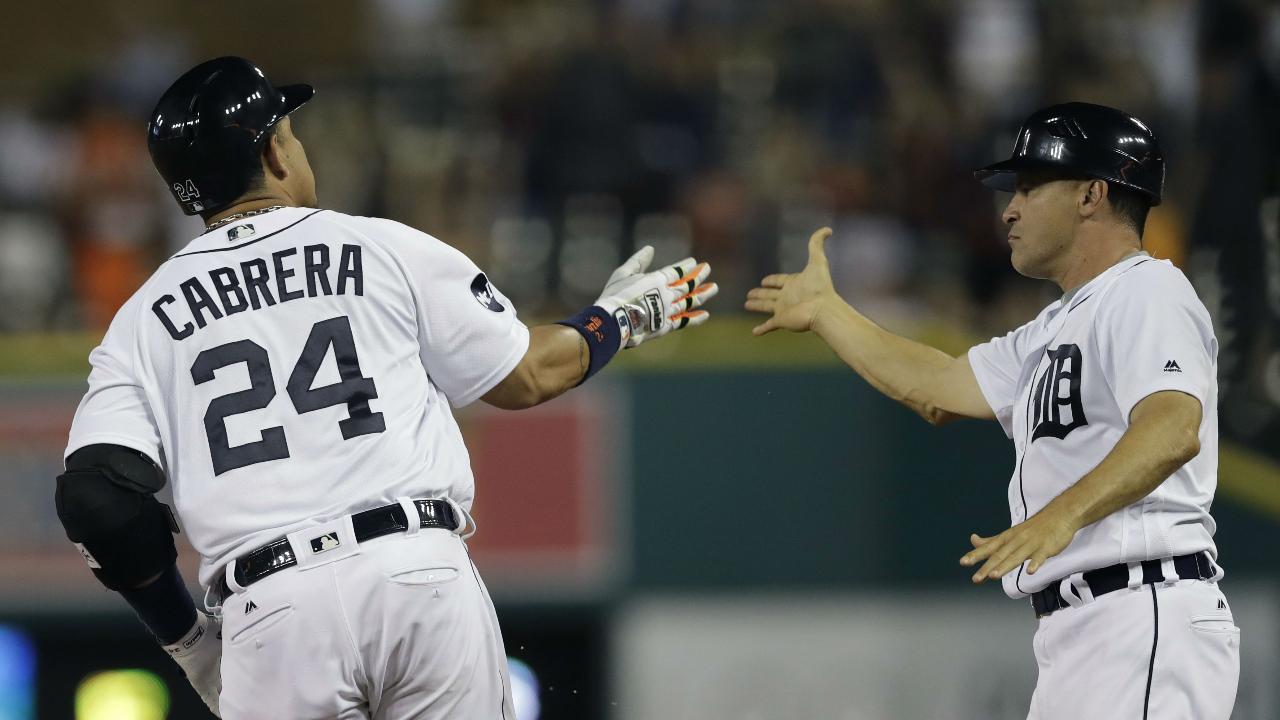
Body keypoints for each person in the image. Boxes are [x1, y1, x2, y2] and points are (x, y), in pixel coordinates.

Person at [55, 56, 717, 719]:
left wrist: (190, 641)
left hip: (273, 611)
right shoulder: (379, 248)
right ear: (273, 153)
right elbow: (527, 375)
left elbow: (98, 503)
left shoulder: (143, 319)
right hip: (417, 575)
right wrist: (619, 321)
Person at [745, 102, 1238, 719]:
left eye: (1030, 187)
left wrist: (1058, 517)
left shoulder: (1147, 290)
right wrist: (828, 313)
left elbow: (1172, 428)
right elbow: (939, 387)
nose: (1009, 207)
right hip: (1083, 632)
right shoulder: (1054, 326)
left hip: (1143, 607)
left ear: (1092, 194)